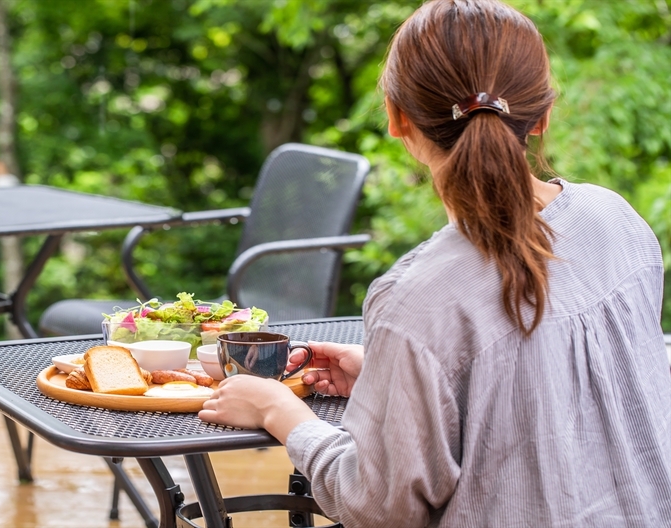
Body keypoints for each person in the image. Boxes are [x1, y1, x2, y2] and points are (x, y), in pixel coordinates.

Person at [198, 0, 671, 525]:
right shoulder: (617, 220)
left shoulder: (415, 299)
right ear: (542, 116)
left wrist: (282, 414)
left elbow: (380, 507)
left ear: (398, 119)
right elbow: (557, 393)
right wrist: (392, 375)